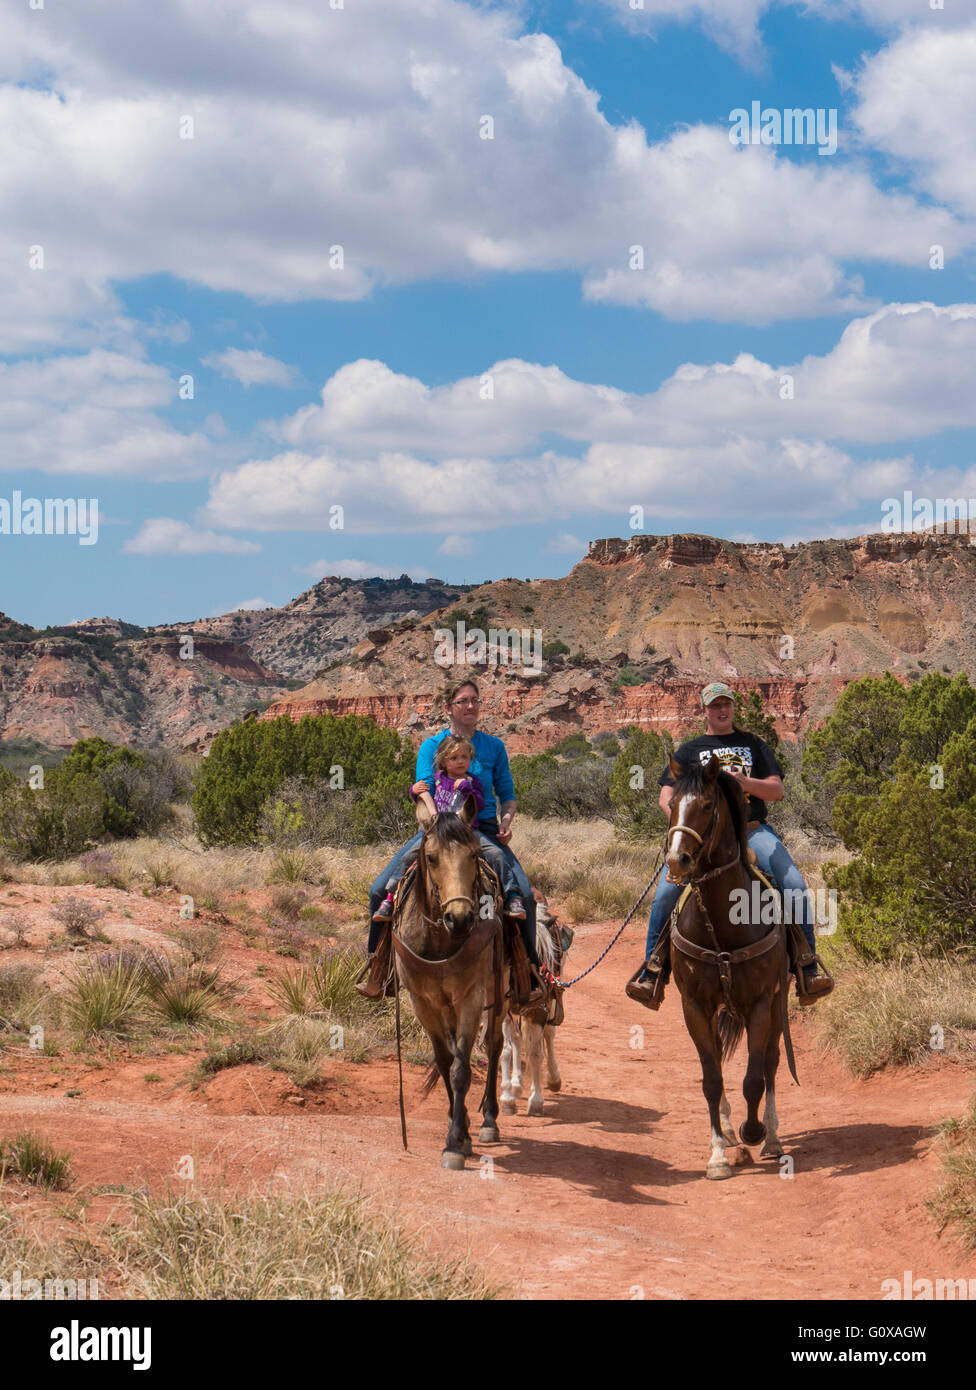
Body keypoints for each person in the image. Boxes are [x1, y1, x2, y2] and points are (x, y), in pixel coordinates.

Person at [626, 681, 834, 1009]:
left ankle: (806, 967)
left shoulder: (753, 744)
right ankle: (653, 972)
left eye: (727, 705)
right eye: (714, 705)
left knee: (793, 883)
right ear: (704, 710)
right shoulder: (689, 752)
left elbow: (776, 791)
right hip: (702, 842)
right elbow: (667, 795)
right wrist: (684, 824)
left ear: (733, 708)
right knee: (666, 894)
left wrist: (744, 782)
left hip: (752, 832)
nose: (722, 710)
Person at [357, 677, 543, 1001]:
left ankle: (529, 972)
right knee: (377, 889)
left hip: (480, 829)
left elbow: (508, 796)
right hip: (437, 831)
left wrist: (507, 821)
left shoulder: (494, 747)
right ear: (449, 707)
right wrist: (432, 820)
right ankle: (379, 970)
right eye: (463, 701)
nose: (470, 706)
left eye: (474, 700)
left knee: (525, 895)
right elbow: (423, 789)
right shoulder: (432, 746)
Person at [371, 733, 527, 922]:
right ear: (444, 761)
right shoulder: (437, 779)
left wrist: (466, 789)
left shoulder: (472, 782)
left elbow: (477, 802)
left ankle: (512, 895)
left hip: (467, 831)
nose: (460, 762)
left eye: (465, 758)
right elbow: (423, 794)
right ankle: (390, 898)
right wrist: (413, 790)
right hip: (439, 831)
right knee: (407, 858)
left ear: (471, 759)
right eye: (454, 758)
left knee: (496, 855)